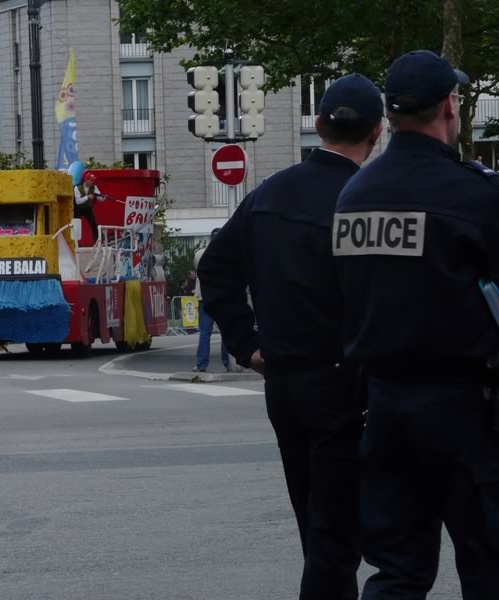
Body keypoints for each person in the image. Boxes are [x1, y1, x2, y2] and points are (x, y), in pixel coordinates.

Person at [199, 74, 385, 600]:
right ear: (376, 131)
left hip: (283, 381)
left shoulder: (270, 192)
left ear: (319, 125)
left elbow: (214, 269)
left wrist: (247, 343)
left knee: (316, 526)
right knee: (338, 539)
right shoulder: (365, 198)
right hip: (345, 384)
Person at [333, 51, 499, 599]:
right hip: (462, 410)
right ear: (448, 108)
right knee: (488, 565)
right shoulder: (474, 195)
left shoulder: (354, 196)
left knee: (397, 572)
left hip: (384, 408)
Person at [193, 229, 230, 373]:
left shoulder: (199, 254)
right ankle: (228, 363)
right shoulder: (228, 253)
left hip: (204, 298)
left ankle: (201, 364)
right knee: (226, 333)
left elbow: (197, 269)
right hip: (222, 298)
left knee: (204, 333)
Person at [73, 172, 105, 242]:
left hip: (87, 208)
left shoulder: (94, 187)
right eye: (91, 180)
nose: (93, 182)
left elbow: (99, 197)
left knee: (93, 224)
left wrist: (103, 198)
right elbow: (78, 202)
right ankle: (75, 243)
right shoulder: (77, 188)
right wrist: (87, 197)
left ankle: (97, 242)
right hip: (77, 209)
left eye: (93, 180)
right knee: (77, 225)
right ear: (86, 180)